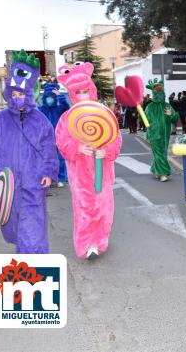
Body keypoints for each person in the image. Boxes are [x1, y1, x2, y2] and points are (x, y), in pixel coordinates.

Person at [0, 50, 58, 253]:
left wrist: (48, 172)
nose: (18, 98)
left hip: (34, 181)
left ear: (29, 93)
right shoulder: (0, 120)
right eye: (14, 94)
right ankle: (26, 258)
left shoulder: (41, 120)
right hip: (10, 183)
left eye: (22, 94)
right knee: (13, 226)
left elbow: (49, 148)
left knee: (33, 227)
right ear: (9, 94)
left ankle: (34, 267)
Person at [55, 62, 122, 260]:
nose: (83, 95)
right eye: (78, 92)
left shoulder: (104, 114)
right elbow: (61, 140)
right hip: (80, 173)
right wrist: (78, 148)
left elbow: (115, 138)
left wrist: (107, 151)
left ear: (91, 90)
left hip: (104, 170)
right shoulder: (67, 118)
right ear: (72, 94)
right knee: (85, 208)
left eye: (86, 91)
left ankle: (101, 240)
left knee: (104, 208)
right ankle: (86, 245)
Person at [145, 79, 178, 182]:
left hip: (165, 135)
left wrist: (171, 114)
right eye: (157, 93)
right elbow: (144, 120)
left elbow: (175, 118)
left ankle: (155, 170)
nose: (160, 95)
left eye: (162, 93)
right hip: (154, 134)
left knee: (161, 153)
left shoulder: (167, 105)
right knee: (159, 153)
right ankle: (163, 173)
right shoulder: (149, 107)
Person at [39, 81, 70, 187]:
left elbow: (67, 108)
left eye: (52, 97)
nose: (50, 99)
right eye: (48, 97)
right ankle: (47, 178)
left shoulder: (59, 109)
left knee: (60, 159)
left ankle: (61, 178)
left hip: (58, 139)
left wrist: (60, 96)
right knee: (45, 160)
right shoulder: (40, 110)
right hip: (44, 140)